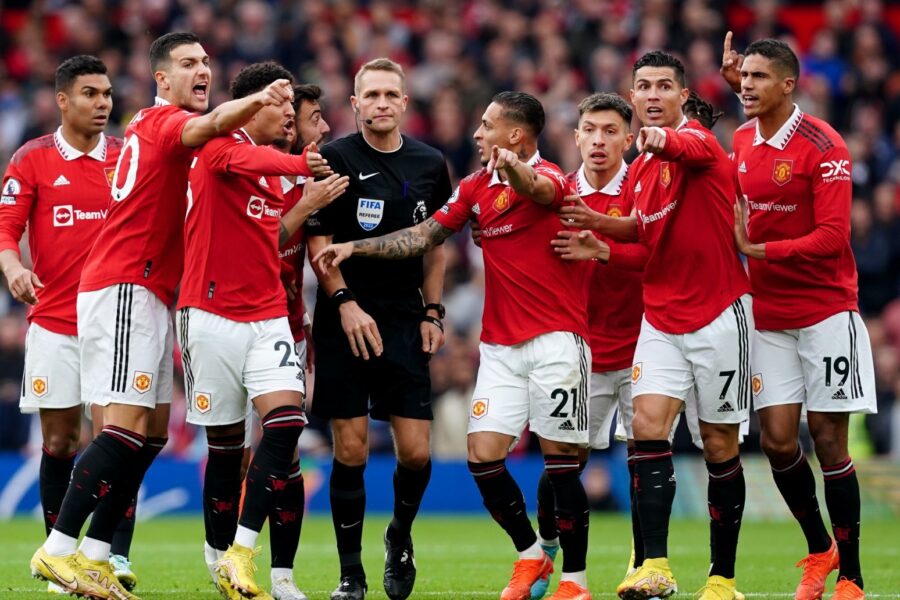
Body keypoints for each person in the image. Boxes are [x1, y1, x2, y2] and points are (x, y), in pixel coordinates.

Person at [30, 32, 295, 599]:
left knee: (148, 436)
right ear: (161, 79)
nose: (202, 70)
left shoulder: (156, 127)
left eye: (205, 61)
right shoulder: (165, 121)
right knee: (123, 430)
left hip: (146, 291)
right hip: (127, 284)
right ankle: (57, 548)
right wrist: (258, 99)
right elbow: (211, 126)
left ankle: (96, 556)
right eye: (187, 63)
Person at [314, 91, 593, 600]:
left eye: (487, 125)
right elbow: (423, 236)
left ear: (515, 135)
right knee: (482, 457)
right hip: (501, 347)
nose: (477, 132)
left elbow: (537, 189)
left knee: (560, 462)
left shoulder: (552, 176)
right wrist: (355, 246)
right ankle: (531, 553)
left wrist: (514, 169)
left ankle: (575, 581)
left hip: (556, 340)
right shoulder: (473, 187)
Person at [560, 51, 752, 600]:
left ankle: (722, 578)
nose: (651, 95)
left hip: (718, 314)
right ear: (634, 94)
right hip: (662, 318)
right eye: (643, 86)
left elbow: (688, 147)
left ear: (682, 97)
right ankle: (654, 566)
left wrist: (661, 138)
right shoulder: (642, 168)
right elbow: (643, 236)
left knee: (718, 444)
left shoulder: (697, 142)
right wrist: (598, 228)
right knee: (647, 428)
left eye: (663, 86)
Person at [723, 35, 876, 600]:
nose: (747, 85)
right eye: (744, 76)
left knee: (830, 442)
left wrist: (757, 251)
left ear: (789, 85)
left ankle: (852, 576)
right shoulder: (741, 138)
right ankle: (820, 547)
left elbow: (834, 237)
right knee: (778, 442)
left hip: (826, 311)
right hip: (768, 315)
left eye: (759, 77)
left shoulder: (825, 145)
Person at [179, 60, 330, 599]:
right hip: (211, 314)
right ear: (252, 106)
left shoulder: (273, 172)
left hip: (268, 315)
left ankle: (248, 553)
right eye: (281, 104)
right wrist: (300, 165)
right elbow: (254, 159)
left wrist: (300, 177)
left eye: (293, 107)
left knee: (287, 425)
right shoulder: (218, 147)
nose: (291, 114)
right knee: (225, 448)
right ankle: (218, 555)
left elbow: (270, 242)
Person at [304, 57, 451, 600]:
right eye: (372, 95)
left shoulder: (430, 163)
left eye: (391, 94)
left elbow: (435, 245)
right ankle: (351, 573)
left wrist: (433, 312)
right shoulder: (333, 159)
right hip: (343, 318)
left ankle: (399, 536)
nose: (382, 103)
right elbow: (319, 246)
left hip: (404, 319)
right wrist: (344, 303)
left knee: (416, 452)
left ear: (405, 102)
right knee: (351, 450)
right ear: (356, 103)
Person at [0, 55, 139, 593]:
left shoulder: (125, 158)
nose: (103, 103)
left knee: (115, 437)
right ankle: (60, 563)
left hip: (117, 323)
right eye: (90, 94)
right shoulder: (32, 158)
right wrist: (13, 268)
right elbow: (7, 229)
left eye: (107, 94)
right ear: (63, 100)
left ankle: (111, 555)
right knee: (60, 442)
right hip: (55, 322)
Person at [533, 92, 644, 598]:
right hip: (580, 352)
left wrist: (603, 251)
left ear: (628, 139)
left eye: (610, 131)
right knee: (563, 463)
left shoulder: (645, 186)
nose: (599, 140)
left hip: (645, 346)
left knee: (647, 461)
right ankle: (545, 551)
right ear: (576, 137)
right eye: (590, 131)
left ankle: (644, 563)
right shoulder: (555, 193)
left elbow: (665, 254)